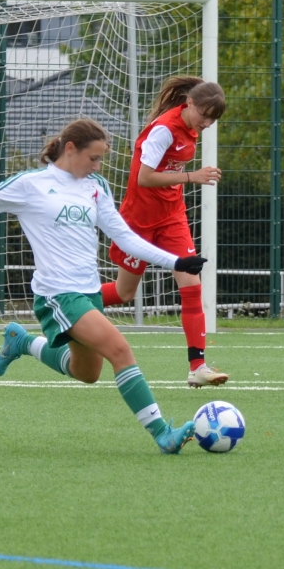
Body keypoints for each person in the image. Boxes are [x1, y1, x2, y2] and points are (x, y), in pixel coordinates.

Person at [0, 117, 208, 454]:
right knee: (120, 351)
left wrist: (175, 262)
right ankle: (162, 434)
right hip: (57, 294)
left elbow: (124, 236)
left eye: (100, 159)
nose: (97, 166)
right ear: (70, 149)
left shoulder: (96, 186)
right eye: (93, 158)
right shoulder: (32, 184)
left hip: (89, 292)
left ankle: (23, 342)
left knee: (88, 372)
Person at [97, 76, 228, 386]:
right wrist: (191, 176)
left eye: (213, 119)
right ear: (190, 103)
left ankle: (198, 367)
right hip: (139, 221)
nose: (207, 123)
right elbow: (144, 178)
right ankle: (67, 299)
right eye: (204, 115)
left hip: (172, 218)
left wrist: (186, 178)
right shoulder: (164, 130)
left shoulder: (191, 129)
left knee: (192, 285)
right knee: (124, 293)